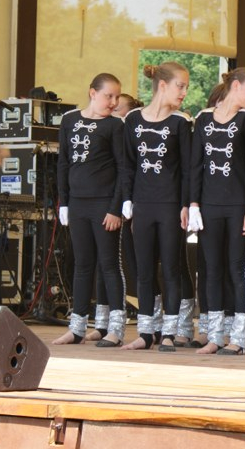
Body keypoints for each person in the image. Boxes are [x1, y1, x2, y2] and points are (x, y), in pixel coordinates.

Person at [189, 68, 245, 355]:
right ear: (236, 85)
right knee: (212, 269)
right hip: (209, 205)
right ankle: (215, 335)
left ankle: (239, 338)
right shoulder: (203, 118)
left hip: (237, 205)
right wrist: (194, 203)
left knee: (237, 268)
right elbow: (195, 164)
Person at [121, 62, 192, 352]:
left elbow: (188, 169)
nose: (184, 92)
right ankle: (146, 331)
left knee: (171, 269)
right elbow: (128, 163)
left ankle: (170, 332)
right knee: (144, 270)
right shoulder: (133, 119)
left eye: (186, 87)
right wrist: (127, 199)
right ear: (162, 85)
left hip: (170, 205)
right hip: (143, 203)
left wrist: (186, 205)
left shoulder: (181, 122)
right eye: (180, 86)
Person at [54, 73, 126, 346]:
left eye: (117, 97)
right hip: (78, 203)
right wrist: (64, 201)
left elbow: (123, 168)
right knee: (82, 265)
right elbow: (63, 162)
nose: (114, 102)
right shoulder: (70, 120)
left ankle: (115, 328)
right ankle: (77, 327)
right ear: (92, 93)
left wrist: (115, 208)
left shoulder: (114, 125)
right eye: (109, 96)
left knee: (108, 264)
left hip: (104, 203)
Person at [86, 91, 144, 342]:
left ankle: (129, 324)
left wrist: (120, 206)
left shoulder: (126, 132)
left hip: (125, 205)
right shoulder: (108, 131)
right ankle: (102, 322)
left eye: (118, 109)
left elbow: (126, 172)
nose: (113, 110)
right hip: (109, 202)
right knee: (103, 263)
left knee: (121, 265)